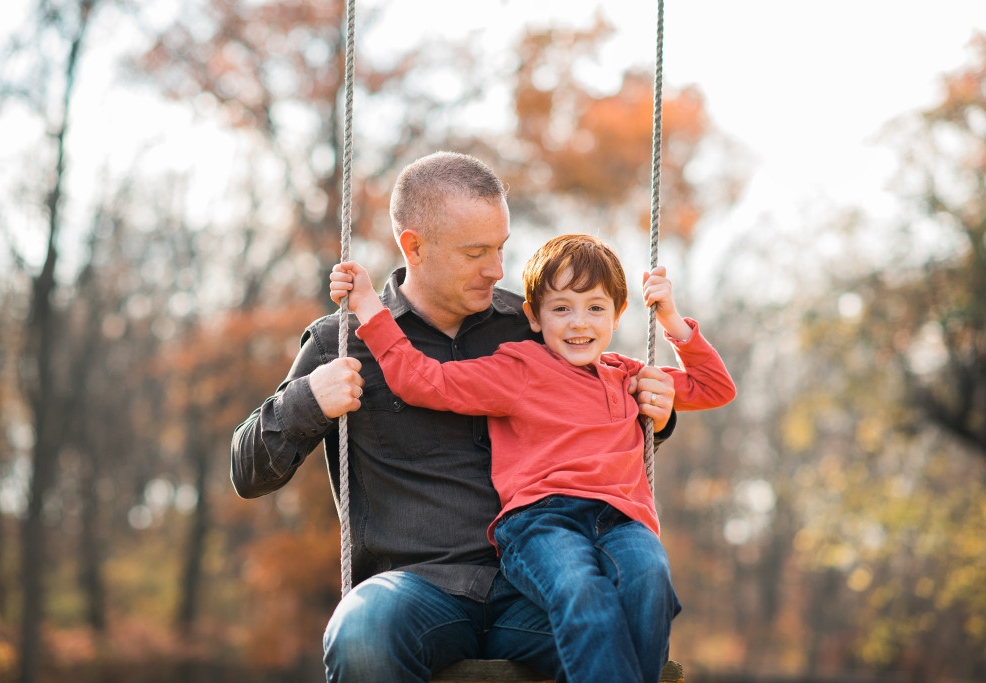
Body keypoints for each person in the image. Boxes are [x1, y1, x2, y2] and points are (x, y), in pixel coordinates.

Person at [231, 151, 677, 683]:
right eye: (476, 252)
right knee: (361, 631)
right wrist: (307, 400)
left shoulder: (530, 324)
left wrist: (657, 411)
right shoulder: (342, 342)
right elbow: (249, 473)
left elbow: (598, 419)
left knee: (625, 608)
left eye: (501, 248)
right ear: (414, 246)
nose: (497, 269)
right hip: (417, 590)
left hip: (532, 580)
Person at [330, 232, 736, 683]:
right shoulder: (518, 368)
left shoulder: (628, 375)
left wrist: (672, 320)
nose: (579, 323)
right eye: (561, 308)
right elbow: (422, 380)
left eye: (595, 308)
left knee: (650, 579)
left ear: (619, 315)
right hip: (542, 522)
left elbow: (716, 387)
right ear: (534, 318)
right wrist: (369, 307)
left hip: (622, 521)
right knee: (584, 595)